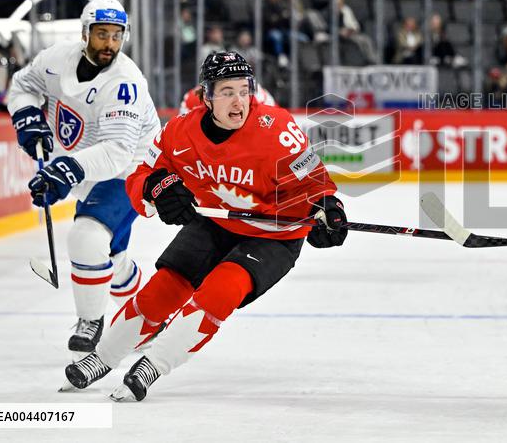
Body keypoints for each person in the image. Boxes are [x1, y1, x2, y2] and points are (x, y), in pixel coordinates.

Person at [64, 51, 346, 401]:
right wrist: (158, 188)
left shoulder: (276, 129)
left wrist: (326, 209)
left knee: (219, 292)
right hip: (215, 221)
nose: (238, 101)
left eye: (244, 90)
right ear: (207, 95)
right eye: (227, 91)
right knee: (162, 290)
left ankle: (153, 364)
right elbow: (142, 177)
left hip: (273, 236)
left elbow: (314, 183)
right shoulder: (181, 131)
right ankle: (102, 358)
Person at [6, 0, 160, 356]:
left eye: (116, 36)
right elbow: (22, 85)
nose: (109, 44)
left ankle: (90, 321)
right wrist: (27, 116)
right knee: (113, 258)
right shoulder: (56, 59)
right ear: (85, 32)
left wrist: (64, 169)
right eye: (101, 34)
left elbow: (117, 151)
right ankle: (150, 316)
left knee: (86, 236)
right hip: (88, 163)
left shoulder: (127, 83)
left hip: (133, 168)